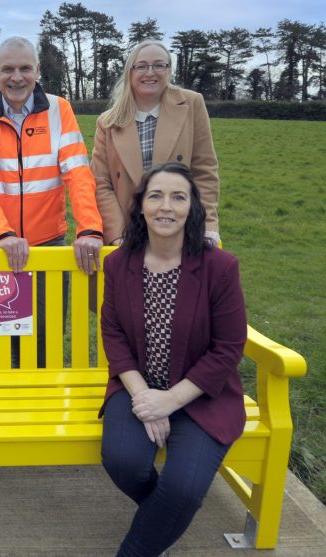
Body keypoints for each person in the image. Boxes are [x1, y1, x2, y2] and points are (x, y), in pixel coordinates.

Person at [99, 162, 246, 557]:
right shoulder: (118, 263)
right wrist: (145, 396)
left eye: (178, 197)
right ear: (142, 207)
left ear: (192, 208)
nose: (166, 207)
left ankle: (141, 544)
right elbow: (112, 334)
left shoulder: (220, 267)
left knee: (182, 486)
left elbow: (229, 347)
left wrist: (170, 400)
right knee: (123, 461)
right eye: (156, 196)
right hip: (138, 386)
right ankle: (166, 515)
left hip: (203, 394)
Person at [0, 36, 104, 367]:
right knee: (2, 331)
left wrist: (89, 228)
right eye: (8, 69)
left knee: (47, 332)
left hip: (49, 242)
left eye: (25, 68)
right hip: (0, 244)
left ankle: (45, 392)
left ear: (38, 70)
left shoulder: (60, 109)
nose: (17, 77)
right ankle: (9, 394)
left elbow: (78, 172)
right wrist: (2, 235)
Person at [91, 39, 220, 248]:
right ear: (130, 72)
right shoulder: (108, 121)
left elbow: (205, 171)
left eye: (159, 65)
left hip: (180, 229)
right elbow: (101, 183)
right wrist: (117, 235)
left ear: (169, 70)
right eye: (141, 66)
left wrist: (208, 225)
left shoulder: (192, 104)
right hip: (128, 233)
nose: (150, 73)